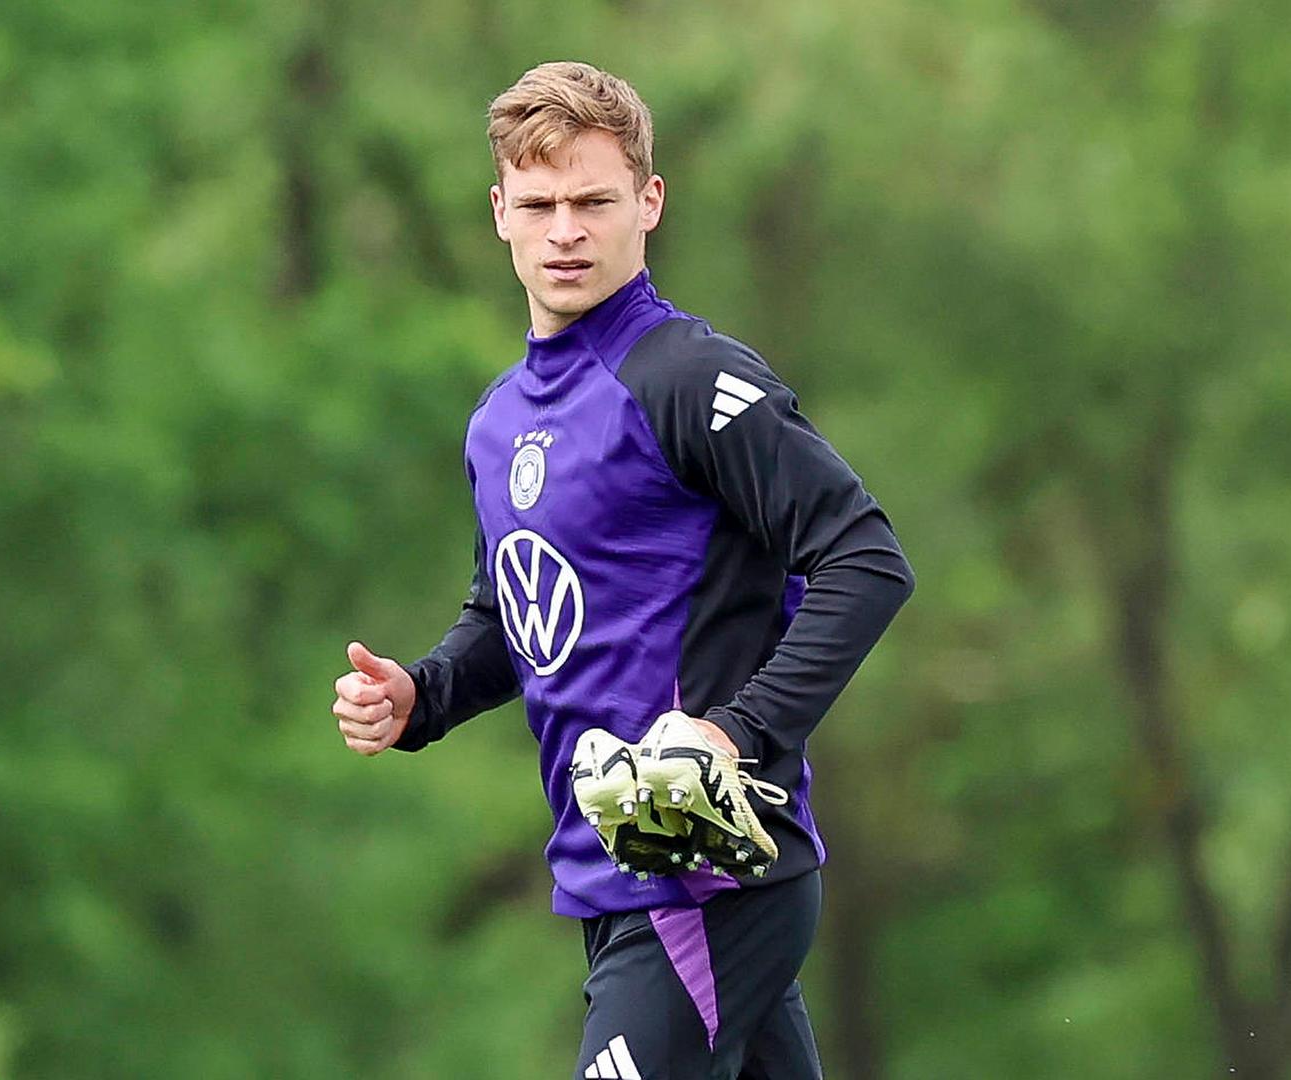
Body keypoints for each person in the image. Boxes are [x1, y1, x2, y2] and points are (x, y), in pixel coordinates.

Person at [331, 60, 913, 1080]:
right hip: (609, 884)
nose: (567, 230)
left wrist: (735, 731)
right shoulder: (497, 421)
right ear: (500, 212)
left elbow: (866, 558)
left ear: (648, 203)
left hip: (702, 882)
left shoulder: (690, 378)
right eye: (541, 203)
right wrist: (419, 695)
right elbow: (514, 618)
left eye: (594, 201)